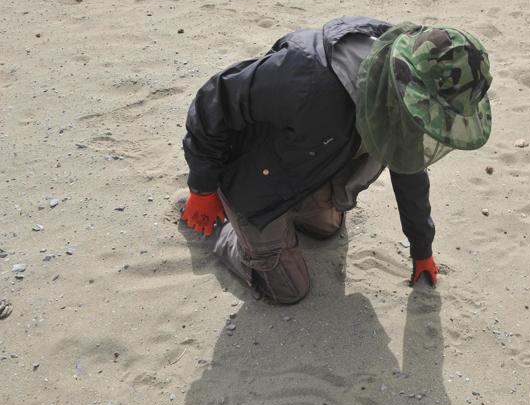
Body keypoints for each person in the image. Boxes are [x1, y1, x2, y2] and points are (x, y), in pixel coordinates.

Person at [180, 16, 492, 304]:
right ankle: (226, 228)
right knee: (288, 288)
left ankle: (283, 217)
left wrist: (422, 249)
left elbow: (408, 169)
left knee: (328, 227)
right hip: (251, 174)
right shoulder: (306, 78)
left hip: (304, 163)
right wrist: (202, 188)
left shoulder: (409, 94)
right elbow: (214, 101)